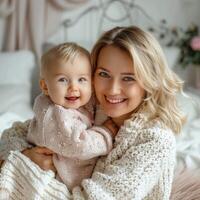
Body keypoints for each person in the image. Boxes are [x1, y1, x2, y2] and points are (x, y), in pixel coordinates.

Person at [0, 26, 185, 199]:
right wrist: (26, 154)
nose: (112, 90)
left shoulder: (155, 141)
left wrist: (22, 168)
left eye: (128, 78)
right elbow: (15, 133)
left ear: (149, 82)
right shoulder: (91, 107)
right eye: (104, 74)